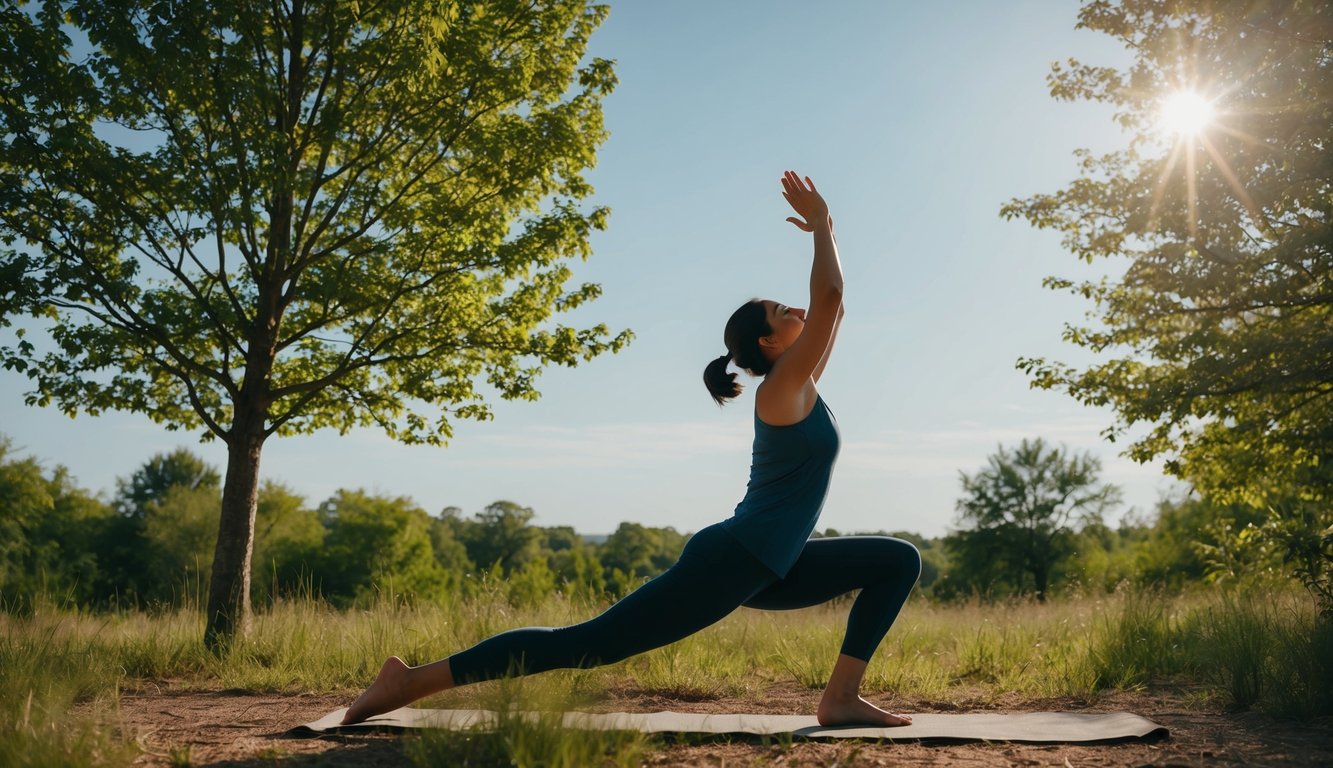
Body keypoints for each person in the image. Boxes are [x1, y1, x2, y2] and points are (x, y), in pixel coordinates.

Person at [342, 171, 922, 727]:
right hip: (736, 559)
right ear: (768, 342)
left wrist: (828, 229)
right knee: (591, 644)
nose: (795, 308)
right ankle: (410, 681)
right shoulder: (781, 391)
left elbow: (831, 308)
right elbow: (830, 298)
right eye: (780, 310)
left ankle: (840, 697)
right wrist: (823, 224)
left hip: (775, 562)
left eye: (789, 305)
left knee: (897, 560)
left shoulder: (800, 381)